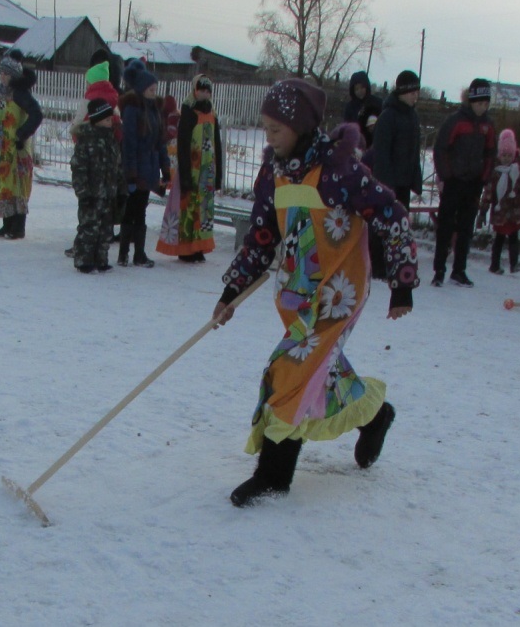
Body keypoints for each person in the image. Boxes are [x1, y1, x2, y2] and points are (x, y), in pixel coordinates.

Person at [211, 79, 417, 508]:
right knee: (318, 369)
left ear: (301, 126)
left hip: (337, 295)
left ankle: (273, 476)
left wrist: (402, 282)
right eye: (265, 129)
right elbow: (262, 236)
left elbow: (391, 216)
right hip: (295, 293)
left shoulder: (341, 170)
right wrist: (232, 289)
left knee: (289, 371)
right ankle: (375, 416)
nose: (268, 138)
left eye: (275, 130)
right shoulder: (273, 172)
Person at [431, 77, 497, 287]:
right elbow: (441, 149)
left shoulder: (488, 125)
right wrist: (447, 175)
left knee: (466, 229)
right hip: (454, 182)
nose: (482, 107)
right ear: (471, 101)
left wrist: (484, 177)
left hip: (473, 183)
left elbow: (490, 153)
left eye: (486, 104)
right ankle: (439, 270)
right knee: (446, 227)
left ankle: (459, 270)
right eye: (479, 103)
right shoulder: (456, 121)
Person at [156, 74, 222, 262]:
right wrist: (184, 174)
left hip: (207, 171)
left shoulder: (212, 113)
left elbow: (217, 144)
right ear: (195, 90)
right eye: (201, 90)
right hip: (192, 170)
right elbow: (183, 145)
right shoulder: (188, 112)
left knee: (204, 209)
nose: (204, 94)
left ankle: (199, 247)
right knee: (189, 207)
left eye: (208, 91)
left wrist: (219, 176)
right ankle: (185, 249)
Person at [0, 49, 42, 238]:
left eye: (6, 73)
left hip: (18, 148)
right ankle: (7, 224)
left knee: (18, 186)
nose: (2, 77)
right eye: (1, 73)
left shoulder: (21, 94)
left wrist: (22, 134)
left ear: (13, 75)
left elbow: (37, 114)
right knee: (4, 186)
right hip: (1, 149)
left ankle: (18, 227)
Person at [117, 59, 171, 267]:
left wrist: (165, 169)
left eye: (155, 88)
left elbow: (161, 142)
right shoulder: (132, 110)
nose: (154, 91)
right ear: (141, 89)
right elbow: (128, 144)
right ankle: (124, 253)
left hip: (149, 168)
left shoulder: (155, 111)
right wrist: (130, 174)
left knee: (141, 210)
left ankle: (138, 253)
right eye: (150, 88)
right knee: (132, 210)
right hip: (137, 168)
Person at [69, 99, 121, 273]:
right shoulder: (86, 140)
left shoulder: (111, 140)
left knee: (105, 228)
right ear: (96, 119)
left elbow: (116, 167)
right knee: (89, 226)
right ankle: (84, 260)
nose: (110, 122)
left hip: (108, 192)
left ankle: (101, 258)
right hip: (91, 193)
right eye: (107, 119)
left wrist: (117, 188)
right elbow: (79, 168)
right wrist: (82, 192)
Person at [477, 128, 520, 274]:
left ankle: (514, 264)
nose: (506, 158)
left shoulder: (518, 172)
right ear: (499, 156)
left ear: (514, 155)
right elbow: (488, 193)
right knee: (499, 239)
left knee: (514, 238)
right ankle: (494, 264)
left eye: (509, 155)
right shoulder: (496, 173)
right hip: (500, 212)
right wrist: (483, 211)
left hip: (514, 212)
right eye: (504, 155)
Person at [370, 70, 423, 210]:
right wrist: (386, 185)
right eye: (412, 93)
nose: (415, 96)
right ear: (402, 93)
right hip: (389, 183)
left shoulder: (413, 116)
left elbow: (415, 149)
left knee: (402, 220)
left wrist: (416, 179)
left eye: (417, 92)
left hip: (405, 182)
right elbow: (381, 153)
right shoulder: (388, 116)